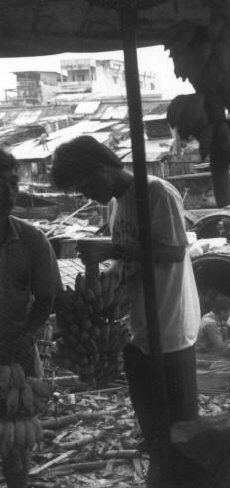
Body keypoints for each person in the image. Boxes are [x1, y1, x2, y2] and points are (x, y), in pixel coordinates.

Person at [51, 135, 200, 487]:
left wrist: (110, 248)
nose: (87, 196)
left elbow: (174, 252)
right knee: (152, 427)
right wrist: (101, 278)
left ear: (103, 167)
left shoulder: (157, 193)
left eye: (86, 186)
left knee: (184, 429)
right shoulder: (115, 206)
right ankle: (162, 477)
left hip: (171, 326)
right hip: (139, 330)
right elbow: (128, 261)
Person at [0, 149, 60, 488]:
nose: (8, 193)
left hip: (17, 358)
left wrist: (26, 336)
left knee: (17, 448)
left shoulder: (32, 240)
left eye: (12, 183)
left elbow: (46, 298)